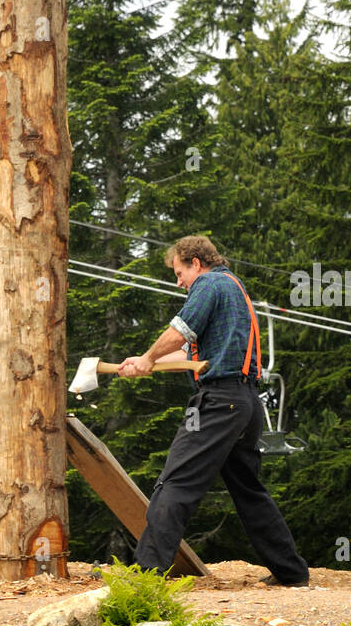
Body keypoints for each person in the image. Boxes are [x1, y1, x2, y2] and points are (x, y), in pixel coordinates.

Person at [118, 235, 310, 587]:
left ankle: (144, 577)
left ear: (195, 262)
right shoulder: (232, 288)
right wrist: (142, 361)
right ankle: (292, 573)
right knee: (248, 490)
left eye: (179, 273)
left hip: (219, 402)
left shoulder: (208, 284)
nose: (179, 282)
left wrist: (148, 358)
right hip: (245, 403)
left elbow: (179, 332)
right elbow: (192, 357)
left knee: (176, 483)